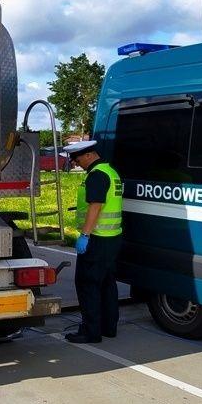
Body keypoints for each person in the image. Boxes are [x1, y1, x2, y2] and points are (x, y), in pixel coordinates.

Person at [62, 141, 123, 343]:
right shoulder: (110, 171)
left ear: (89, 155)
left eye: (77, 158)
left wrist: (85, 235)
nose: (76, 163)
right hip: (112, 238)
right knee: (107, 284)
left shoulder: (97, 175)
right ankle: (109, 327)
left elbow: (95, 206)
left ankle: (91, 332)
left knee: (88, 285)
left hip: (97, 239)